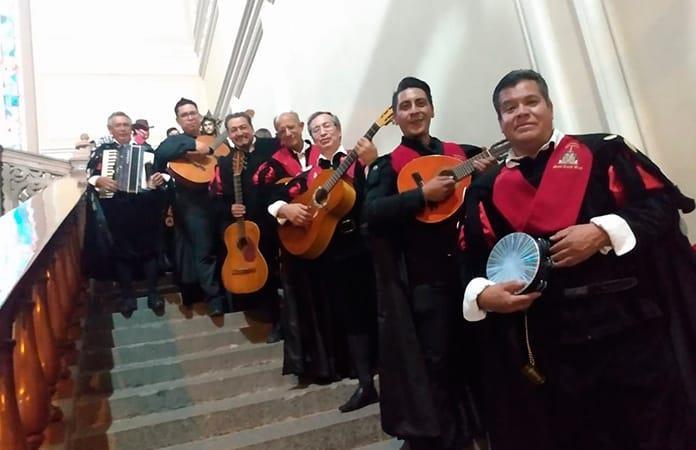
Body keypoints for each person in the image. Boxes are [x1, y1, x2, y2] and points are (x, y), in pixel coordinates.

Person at [459, 69, 696, 450]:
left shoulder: (603, 153)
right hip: (550, 343)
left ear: (550, 107)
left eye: (531, 102)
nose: (522, 112)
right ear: (500, 122)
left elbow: (663, 207)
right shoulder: (485, 190)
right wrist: (484, 295)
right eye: (510, 108)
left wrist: (603, 231)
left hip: (629, 326)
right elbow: (472, 262)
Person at [363, 77, 492, 450]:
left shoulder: (461, 154)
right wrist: (421, 195)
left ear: (432, 109)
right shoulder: (387, 167)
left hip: (473, 274)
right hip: (425, 282)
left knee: (480, 356)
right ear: (396, 117)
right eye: (405, 106)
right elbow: (371, 213)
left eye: (421, 103)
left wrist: (488, 175)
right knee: (438, 364)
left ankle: (484, 429)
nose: (414, 110)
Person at [265, 111, 380, 413]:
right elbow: (273, 198)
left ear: (339, 131)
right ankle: (366, 384)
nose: (323, 132)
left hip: (368, 246)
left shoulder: (361, 160)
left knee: (382, 311)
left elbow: (382, 191)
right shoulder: (310, 175)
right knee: (352, 319)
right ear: (312, 137)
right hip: (335, 253)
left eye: (327, 126)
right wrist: (284, 210)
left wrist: (372, 164)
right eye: (316, 129)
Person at [85, 111, 167, 316]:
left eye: (125, 125)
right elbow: (89, 175)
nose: (122, 128)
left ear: (131, 128)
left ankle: (153, 294)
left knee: (149, 250)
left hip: (144, 205)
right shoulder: (102, 152)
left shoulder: (146, 150)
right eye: (118, 125)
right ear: (110, 129)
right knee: (121, 253)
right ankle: (127, 297)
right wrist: (99, 180)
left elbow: (163, 173)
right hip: (116, 206)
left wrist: (160, 179)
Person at [154, 98, 227, 316]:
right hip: (192, 204)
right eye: (184, 115)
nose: (190, 118)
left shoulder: (212, 140)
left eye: (193, 113)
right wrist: (194, 146)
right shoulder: (176, 142)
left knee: (224, 246)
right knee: (203, 250)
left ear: (200, 116)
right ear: (178, 120)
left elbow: (226, 157)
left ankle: (231, 291)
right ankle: (213, 298)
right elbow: (161, 152)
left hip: (219, 201)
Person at [216, 111, 282, 337]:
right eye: (233, 130)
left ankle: (289, 320)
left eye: (243, 127)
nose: (239, 133)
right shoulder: (225, 163)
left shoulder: (272, 148)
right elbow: (214, 199)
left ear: (252, 128)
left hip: (276, 221)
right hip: (248, 229)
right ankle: (270, 320)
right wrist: (229, 209)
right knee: (261, 275)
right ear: (229, 135)